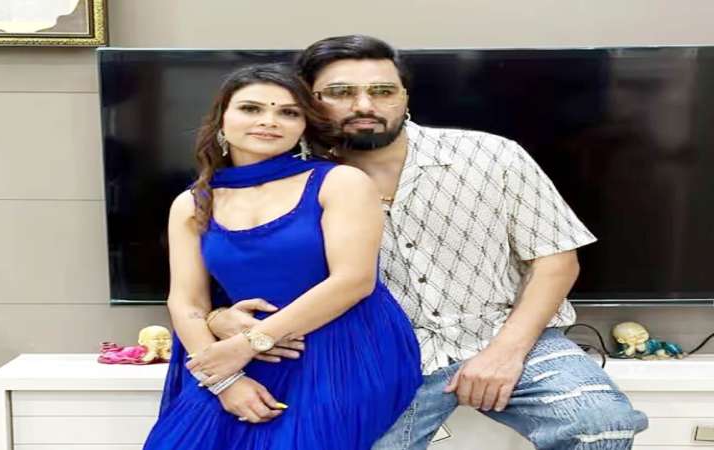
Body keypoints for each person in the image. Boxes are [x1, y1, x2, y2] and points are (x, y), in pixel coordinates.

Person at [207, 36, 649, 449]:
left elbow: (556, 262)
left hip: (509, 334)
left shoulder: (492, 156)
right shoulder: (289, 181)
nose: (364, 105)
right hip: (375, 356)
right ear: (309, 101)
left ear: (405, 96)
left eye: (383, 91)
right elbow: (244, 267)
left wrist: (505, 352)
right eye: (341, 92)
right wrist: (219, 317)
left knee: (601, 423)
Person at [142, 63, 422, 450]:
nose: (269, 121)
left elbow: (354, 281)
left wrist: (250, 343)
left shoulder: (340, 182)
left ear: (304, 126)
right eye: (251, 109)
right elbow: (187, 302)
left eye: (288, 112)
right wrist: (224, 379)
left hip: (340, 348)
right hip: (236, 353)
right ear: (222, 120)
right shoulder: (192, 203)